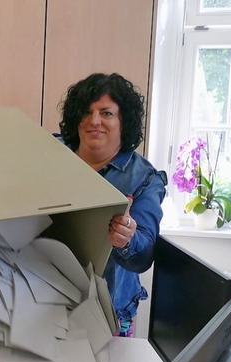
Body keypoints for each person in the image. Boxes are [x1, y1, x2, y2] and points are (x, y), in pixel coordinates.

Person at [56, 72, 167, 337]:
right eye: (87, 111)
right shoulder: (49, 153)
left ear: (123, 121)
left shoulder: (144, 178)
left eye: (106, 113)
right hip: (41, 300)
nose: (94, 121)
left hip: (107, 314)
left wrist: (126, 238)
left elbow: (144, 254)